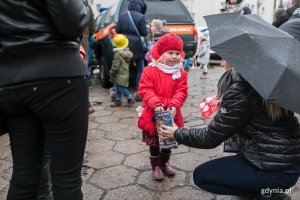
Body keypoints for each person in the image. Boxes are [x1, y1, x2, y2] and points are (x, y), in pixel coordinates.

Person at [158, 58, 300, 200]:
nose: (221, 63)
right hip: (289, 166)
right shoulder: (270, 84)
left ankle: (268, 194)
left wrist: (176, 133)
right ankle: (267, 189)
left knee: (202, 176)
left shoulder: (242, 89)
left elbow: (209, 138)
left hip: (273, 171)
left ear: (235, 59)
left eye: (223, 58)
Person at [0, 1, 90, 199]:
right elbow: (72, 20)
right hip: (59, 76)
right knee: (67, 180)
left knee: (24, 175)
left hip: (10, 80)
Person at [138, 33, 188, 181]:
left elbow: (182, 91)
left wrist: (174, 105)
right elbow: (145, 89)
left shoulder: (181, 73)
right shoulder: (150, 70)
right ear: (161, 54)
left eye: (177, 53)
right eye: (170, 53)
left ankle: (164, 162)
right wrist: (155, 103)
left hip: (171, 114)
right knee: (154, 142)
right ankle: (155, 166)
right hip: (154, 114)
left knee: (168, 141)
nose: (174, 56)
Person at [116, 0, 148, 102]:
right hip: (137, 45)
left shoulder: (123, 15)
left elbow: (117, 30)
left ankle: (120, 94)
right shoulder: (140, 17)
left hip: (124, 44)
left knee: (123, 69)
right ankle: (138, 92)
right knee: (140, 68)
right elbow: (144, 33)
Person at [109, 34, 135, 107]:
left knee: (121, 88)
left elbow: (115, 66)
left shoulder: (117, 55)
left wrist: (112, 72)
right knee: (117, 87)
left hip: (118, 74)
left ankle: (130, 98)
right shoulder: (126, 53)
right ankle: (118, 100)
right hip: (124, 74)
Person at [81, 4, 96, 114]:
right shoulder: (87, 5)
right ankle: (86, 103)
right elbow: (92, 27)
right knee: (82, 71)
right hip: (83, 41)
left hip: (64, 42)